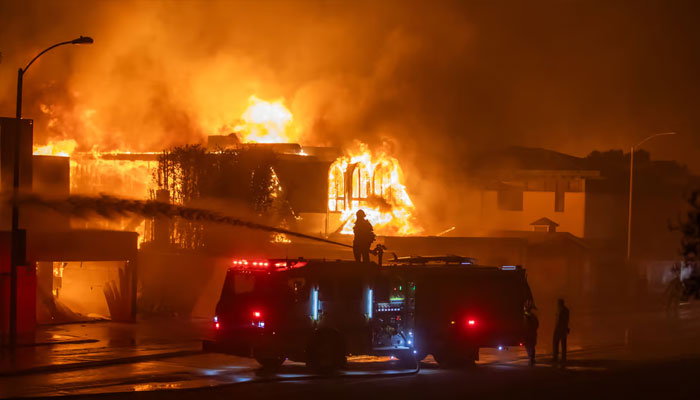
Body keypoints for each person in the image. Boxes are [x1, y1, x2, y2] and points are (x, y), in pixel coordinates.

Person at [552, 298, 570, 366]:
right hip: (560, 329)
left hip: (560, 329)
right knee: (559, 343)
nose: (558, 304)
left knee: (559, 343)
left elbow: (563, 321)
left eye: (559, 303)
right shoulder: (562, 310)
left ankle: (559, 357)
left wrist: (565, 328)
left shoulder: (562, 310)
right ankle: (560, 357)